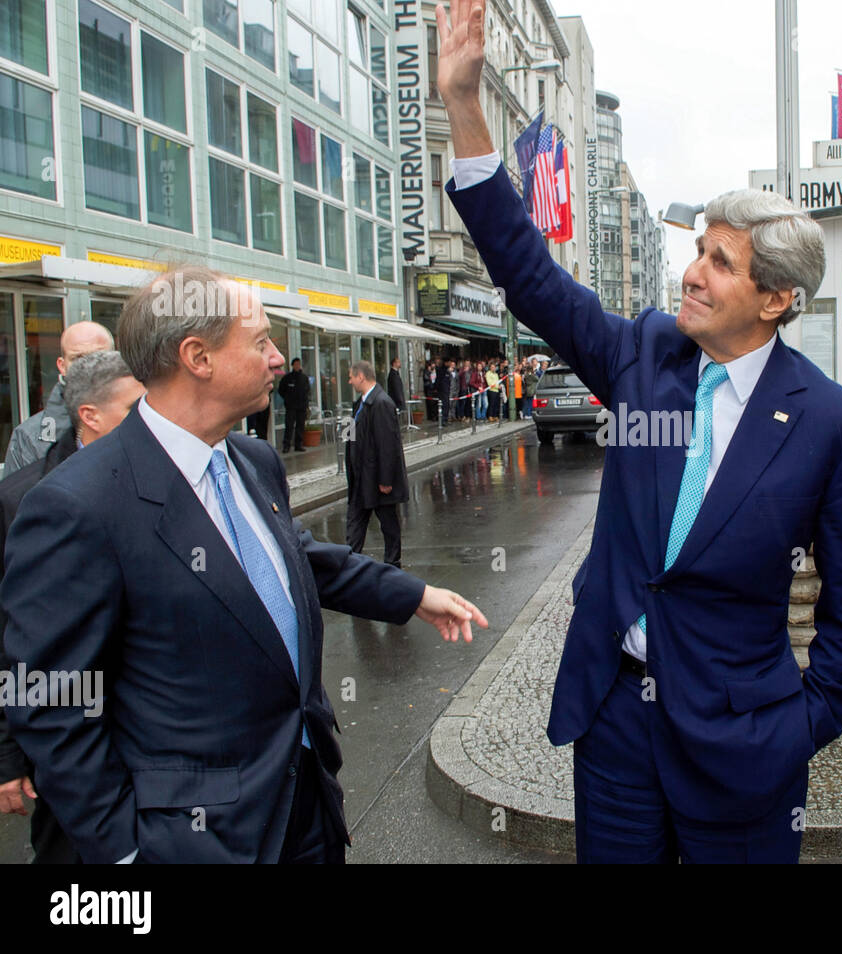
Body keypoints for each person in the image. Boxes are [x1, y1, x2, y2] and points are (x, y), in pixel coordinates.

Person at [436, 0, 842, 864]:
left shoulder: (832, 426)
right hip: (615, 731)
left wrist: (803, 725)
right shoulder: (644, 354)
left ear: (778, 299)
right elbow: (531, 278)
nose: (693, 271)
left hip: (744, 750)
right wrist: (464, 105)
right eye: (700, 249)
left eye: (722, 261)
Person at [3, 268, 487, 864]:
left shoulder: (252, 458)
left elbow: (297, 559)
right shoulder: (77, 506)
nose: (278, 357)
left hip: (306, 809)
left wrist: (412, 595)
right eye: (260, 341)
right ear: (197, 357)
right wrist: (128, 852)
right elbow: (51, 701)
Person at [0, 350, 144, 864]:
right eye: (136, 408)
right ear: (91, 415)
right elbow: (7, 638)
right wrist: (7, 756)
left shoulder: (159, 475)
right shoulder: (22, 499)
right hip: (66, 745)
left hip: (151, 739)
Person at [3, 321, 114, 473]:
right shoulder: (28, 437)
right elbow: (15, 495)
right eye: (79, 358)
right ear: (62, 366)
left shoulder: (143, 417)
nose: (90, 366)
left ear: (117, 360)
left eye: (99, 356)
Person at [346, 360, 408, 568]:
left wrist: (386, 479)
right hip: (362, 475)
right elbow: (354, 436)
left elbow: (387, 444)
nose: (350, 381)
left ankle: (393, 561)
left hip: (377, 478)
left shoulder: (382, 403)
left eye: (351, 376)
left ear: (361, 377)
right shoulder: (360, 403)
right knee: (355, 520)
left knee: (388, 521)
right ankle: (350, 561)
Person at [278, 357, 310, 452]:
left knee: (300, 426)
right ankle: (286, 445)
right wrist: (287, 399)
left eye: (299, 364)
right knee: (289, 426)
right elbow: (281, 390)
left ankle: (298, 445)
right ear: (292, 366)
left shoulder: (304, 378)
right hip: (291, 406)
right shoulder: (287, 378)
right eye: (295, 364)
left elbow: (307, 391)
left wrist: (306, 404)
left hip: (301, 406)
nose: (297, 366)